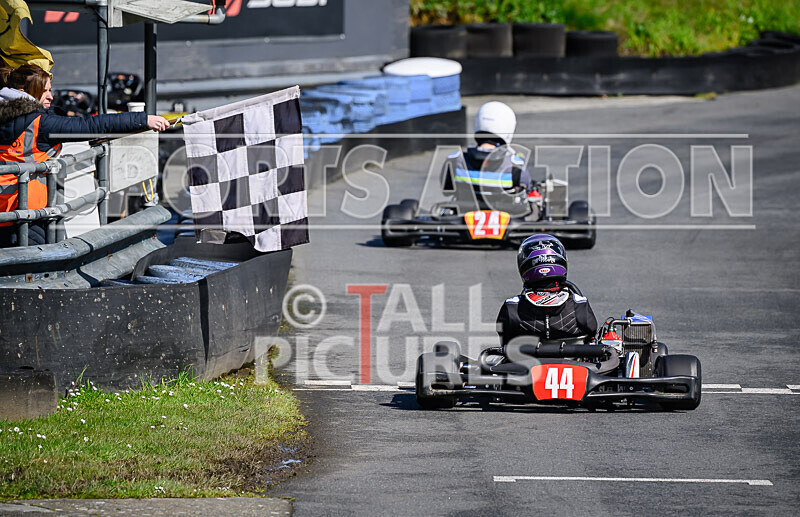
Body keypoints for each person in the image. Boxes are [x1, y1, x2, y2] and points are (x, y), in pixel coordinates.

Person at [0, 64, 169, 246]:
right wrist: (143, 120)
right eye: (44, 91)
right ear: (23, 93)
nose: (51, 96)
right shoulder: (41, 124)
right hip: (27, 215)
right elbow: (92, 125)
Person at [496, 234, 597, 346]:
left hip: (526, 357)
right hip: (574, 356)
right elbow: (591, 334)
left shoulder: (512, 309)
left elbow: (506, 341)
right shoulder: (579, 305)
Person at [442, 101, 532, 206]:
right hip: (504, 214)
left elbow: (446, 190)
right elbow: (525, 191)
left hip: (464, 214)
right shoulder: (516, 166)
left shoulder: (455, 160)